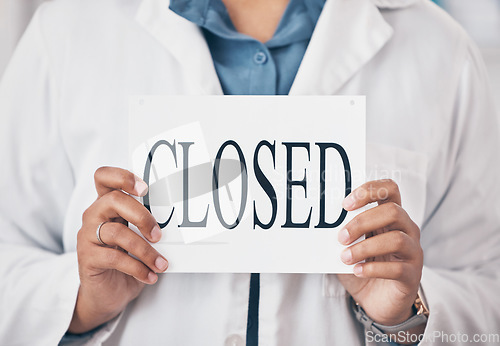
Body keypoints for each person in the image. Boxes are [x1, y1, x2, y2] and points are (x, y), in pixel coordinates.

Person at [0, 0, 499, 345]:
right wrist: (81, 300)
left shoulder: (441, 52)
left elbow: (488, 298)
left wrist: (408, 316)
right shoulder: (66, 33)